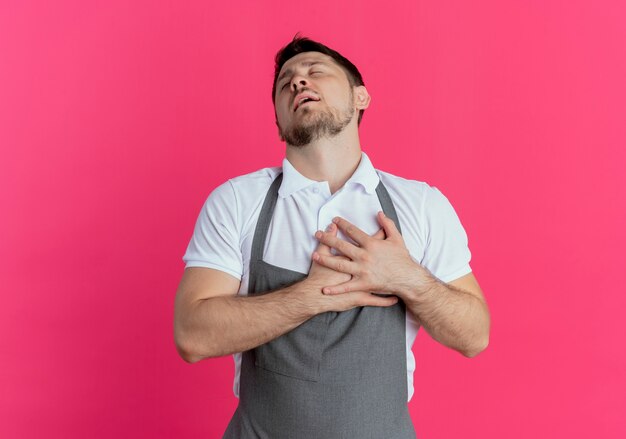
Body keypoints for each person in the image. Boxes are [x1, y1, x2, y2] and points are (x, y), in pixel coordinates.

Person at [174, 35, 490, 439]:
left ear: (361, 97)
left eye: (315, 72)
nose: (297, 83)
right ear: (278, 123)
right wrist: (308, 296)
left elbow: (474, 336)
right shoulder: (237, 201)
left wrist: (404, 276)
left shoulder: (421, 204)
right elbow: (191, 335)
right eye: (286, 82)